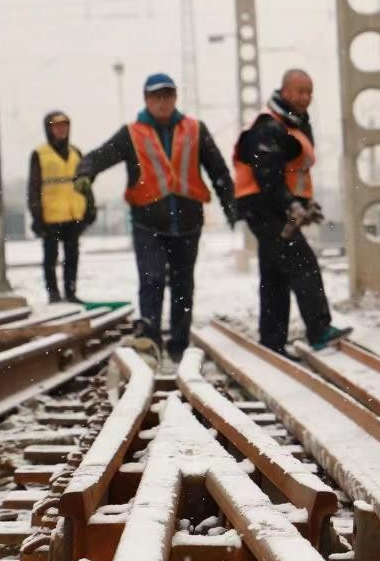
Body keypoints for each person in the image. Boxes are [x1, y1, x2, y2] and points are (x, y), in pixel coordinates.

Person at [76, 73, 235, 361]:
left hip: (187, 223)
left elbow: (218, 169)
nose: (162, 102)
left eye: (167, 96)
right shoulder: (131, 134)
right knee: (152, 279)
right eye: (156, 97)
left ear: (175, 98)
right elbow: (101, 156)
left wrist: (230, 204)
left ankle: (179, 344)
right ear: (146, 100)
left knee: (183, 284)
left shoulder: (195, 130)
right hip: (147, 223)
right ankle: (149, 342)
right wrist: (85, 173)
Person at [231, 69, 352, 354]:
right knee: (303, 263)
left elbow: (289, 173)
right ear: (284, 91)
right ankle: (319, 330)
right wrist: (290, 204)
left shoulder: (292, 124)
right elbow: (268, 175)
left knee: (275, 274)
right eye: (299, 91)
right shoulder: (268, 126)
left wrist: (303, 202)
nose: (305, 97)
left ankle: (272, 343)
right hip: (264, 208)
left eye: (309, 92)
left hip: (272, 206)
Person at [27, 110, 95, 304]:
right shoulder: (40, 154)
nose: (61, 130)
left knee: (72, 255)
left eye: (64, 126)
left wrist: (90, 206)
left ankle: (71, 292)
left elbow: (85, 184)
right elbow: (34, 187)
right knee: (51, 256)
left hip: (73, 213)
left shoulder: (76, 153)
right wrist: (36, 215)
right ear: (49, 129)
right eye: (57, 126)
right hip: (50, 215)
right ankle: (53, 293)